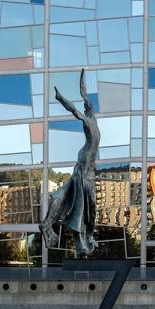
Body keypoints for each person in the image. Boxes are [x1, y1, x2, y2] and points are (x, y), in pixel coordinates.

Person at [39, 69, 100, 256]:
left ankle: (84, 240)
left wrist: (82, 83)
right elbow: (74, 109)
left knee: (86, 208)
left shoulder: (93, 121)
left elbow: (84, 96)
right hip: (83, 174)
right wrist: (60, 98)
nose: (88, 106)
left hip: (84, 172)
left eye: (89, 106)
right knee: (87, 208)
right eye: (88, 106)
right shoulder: (88, 123)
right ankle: (85, 239)